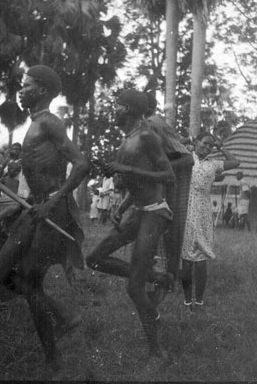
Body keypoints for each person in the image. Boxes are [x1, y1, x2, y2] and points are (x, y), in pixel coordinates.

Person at [0, 64, 90, 369]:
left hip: (51, 211)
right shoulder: (33, 124)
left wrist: (52, 202)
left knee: (29, 281)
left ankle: (55, 360)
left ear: (42, 91)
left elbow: (82, 164)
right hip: (34, 209)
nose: (21, 90)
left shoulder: (49, 123)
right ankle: (62, 318)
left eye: (27, 85)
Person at [86, 89, 176, 359]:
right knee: (94, 258)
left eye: (116, 105)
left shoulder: (148, 135)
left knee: (134, 288)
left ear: (127, 109)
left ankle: (156, 350)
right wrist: (121, 207)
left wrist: (128, 170)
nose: (113, 109)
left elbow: (168, 175)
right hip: (137, 211)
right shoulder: (125, 142)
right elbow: (133, 185)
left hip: (155, 212)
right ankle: (159, 277)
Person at [181, 132, 240, 311]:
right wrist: (189, 140)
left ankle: (198, 301)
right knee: (186, 255)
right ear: (197, 142)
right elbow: (171, 146)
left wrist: (221, 147)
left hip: (204, 209)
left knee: (201, 255)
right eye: (204, 143)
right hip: (186, 207)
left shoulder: (214, 164)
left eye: (210, 146)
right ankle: (186, 300)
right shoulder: (186, 157)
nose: (207, 148)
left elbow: (236, 162)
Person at [144, 92, 194, 283]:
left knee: (171, 230)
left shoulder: (153, 123)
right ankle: (159, 275)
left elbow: (187, 157)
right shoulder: (146, 125)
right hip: (156, 182)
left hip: (172, 183)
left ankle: (170, 276)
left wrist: (161, 170)